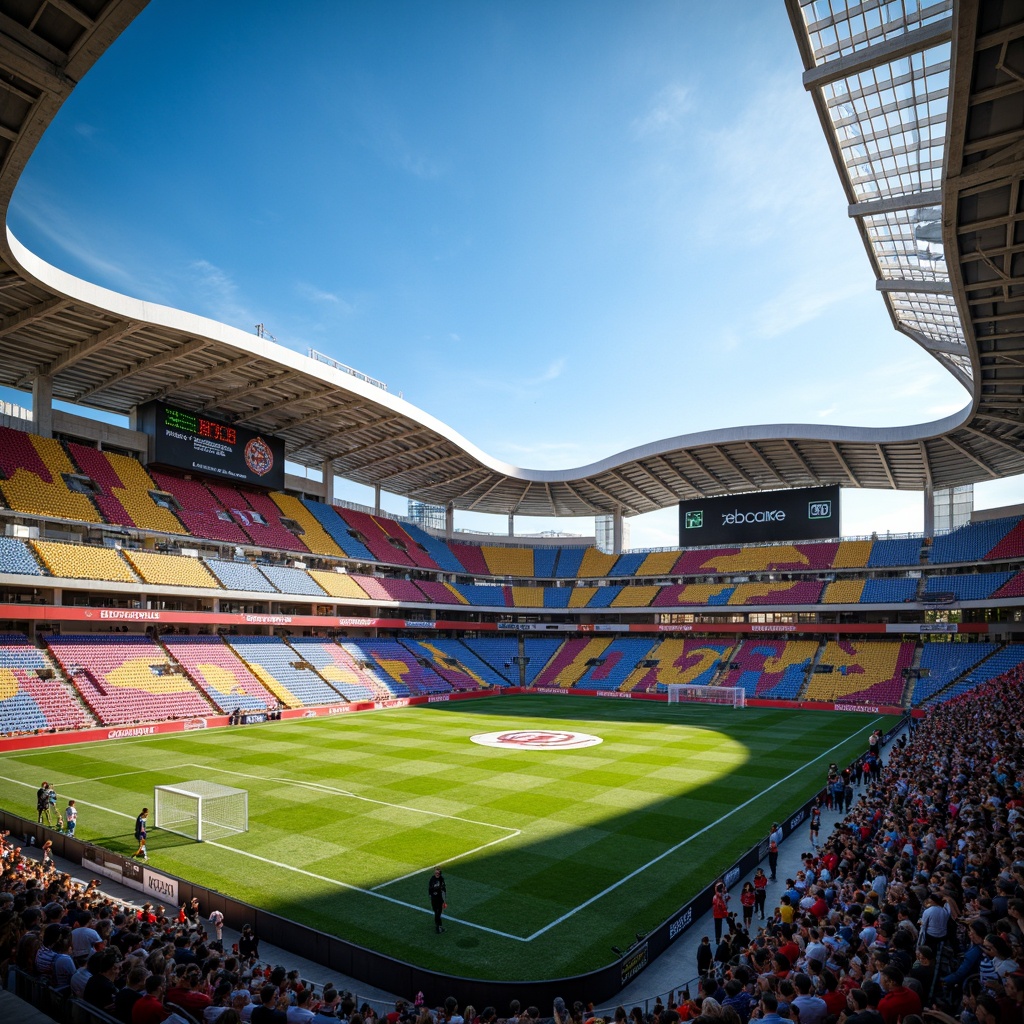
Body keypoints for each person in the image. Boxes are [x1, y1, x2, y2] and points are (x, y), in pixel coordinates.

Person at [428, 867, 447, 933]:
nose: (437, 874)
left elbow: (443, 890)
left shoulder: (438, 879)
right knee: (437, 913)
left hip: (438, 899)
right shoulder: (434, 879)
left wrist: (444, 901)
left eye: (438, 873)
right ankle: (439, 927)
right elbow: (430, 890)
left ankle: (439, 926)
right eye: (436, 873)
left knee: (437, 913)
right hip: (436, 899)